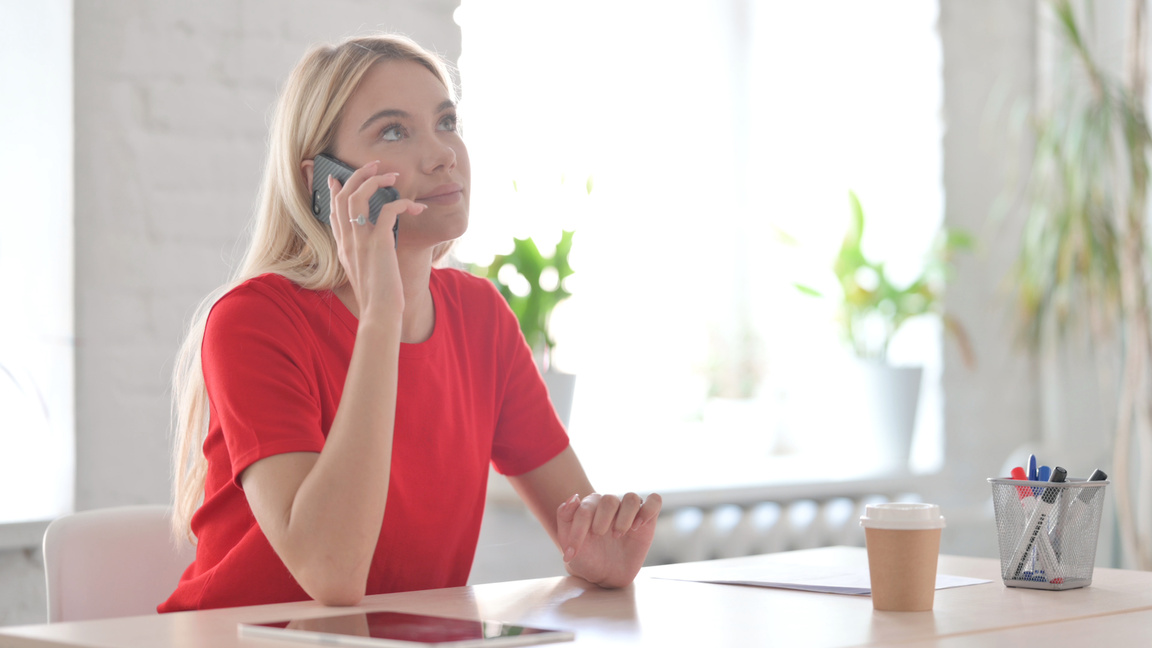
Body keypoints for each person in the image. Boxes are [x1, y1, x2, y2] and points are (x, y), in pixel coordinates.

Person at [159, 33, 661, 613]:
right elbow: (334, 574)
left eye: (447, 121)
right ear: (323, 182)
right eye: (394, 131)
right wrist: (381, 314)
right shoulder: (254, 322)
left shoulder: (481, 318)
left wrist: (603, 559)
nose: (443, 152)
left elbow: (581, 526)